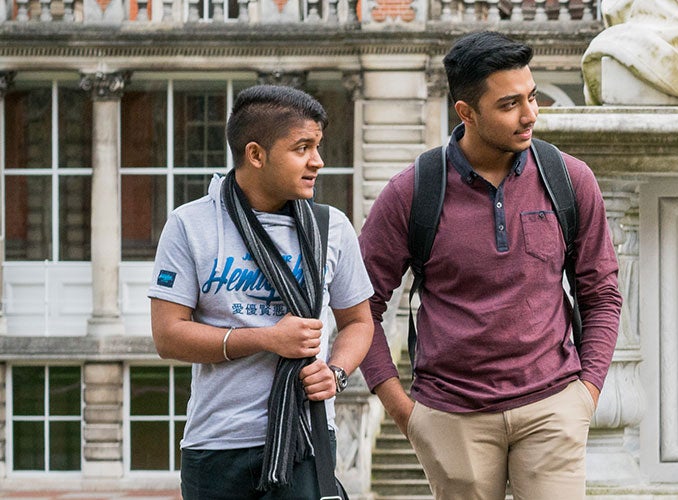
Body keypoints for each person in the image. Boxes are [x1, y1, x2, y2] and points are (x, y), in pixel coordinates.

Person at [357, 31, 623, 499]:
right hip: (450, 416)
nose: (530, 115)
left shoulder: (569, 179)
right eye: (509, 104)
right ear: (467, 113)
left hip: (553, 406)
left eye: (533, 97)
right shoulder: (413, 192)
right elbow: (359, 307)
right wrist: (401, 408)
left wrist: (588, 391)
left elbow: (601, 292)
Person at [149, 84, 375, 499]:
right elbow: (168, 336)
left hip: (306, 442)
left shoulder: (332, 229)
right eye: (302, 148)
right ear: (256, 154)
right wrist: (269, 339)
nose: (318, 162)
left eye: (318, 146)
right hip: (217, 446)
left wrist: (336, 372)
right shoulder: (191, 225)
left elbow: (360, 322)